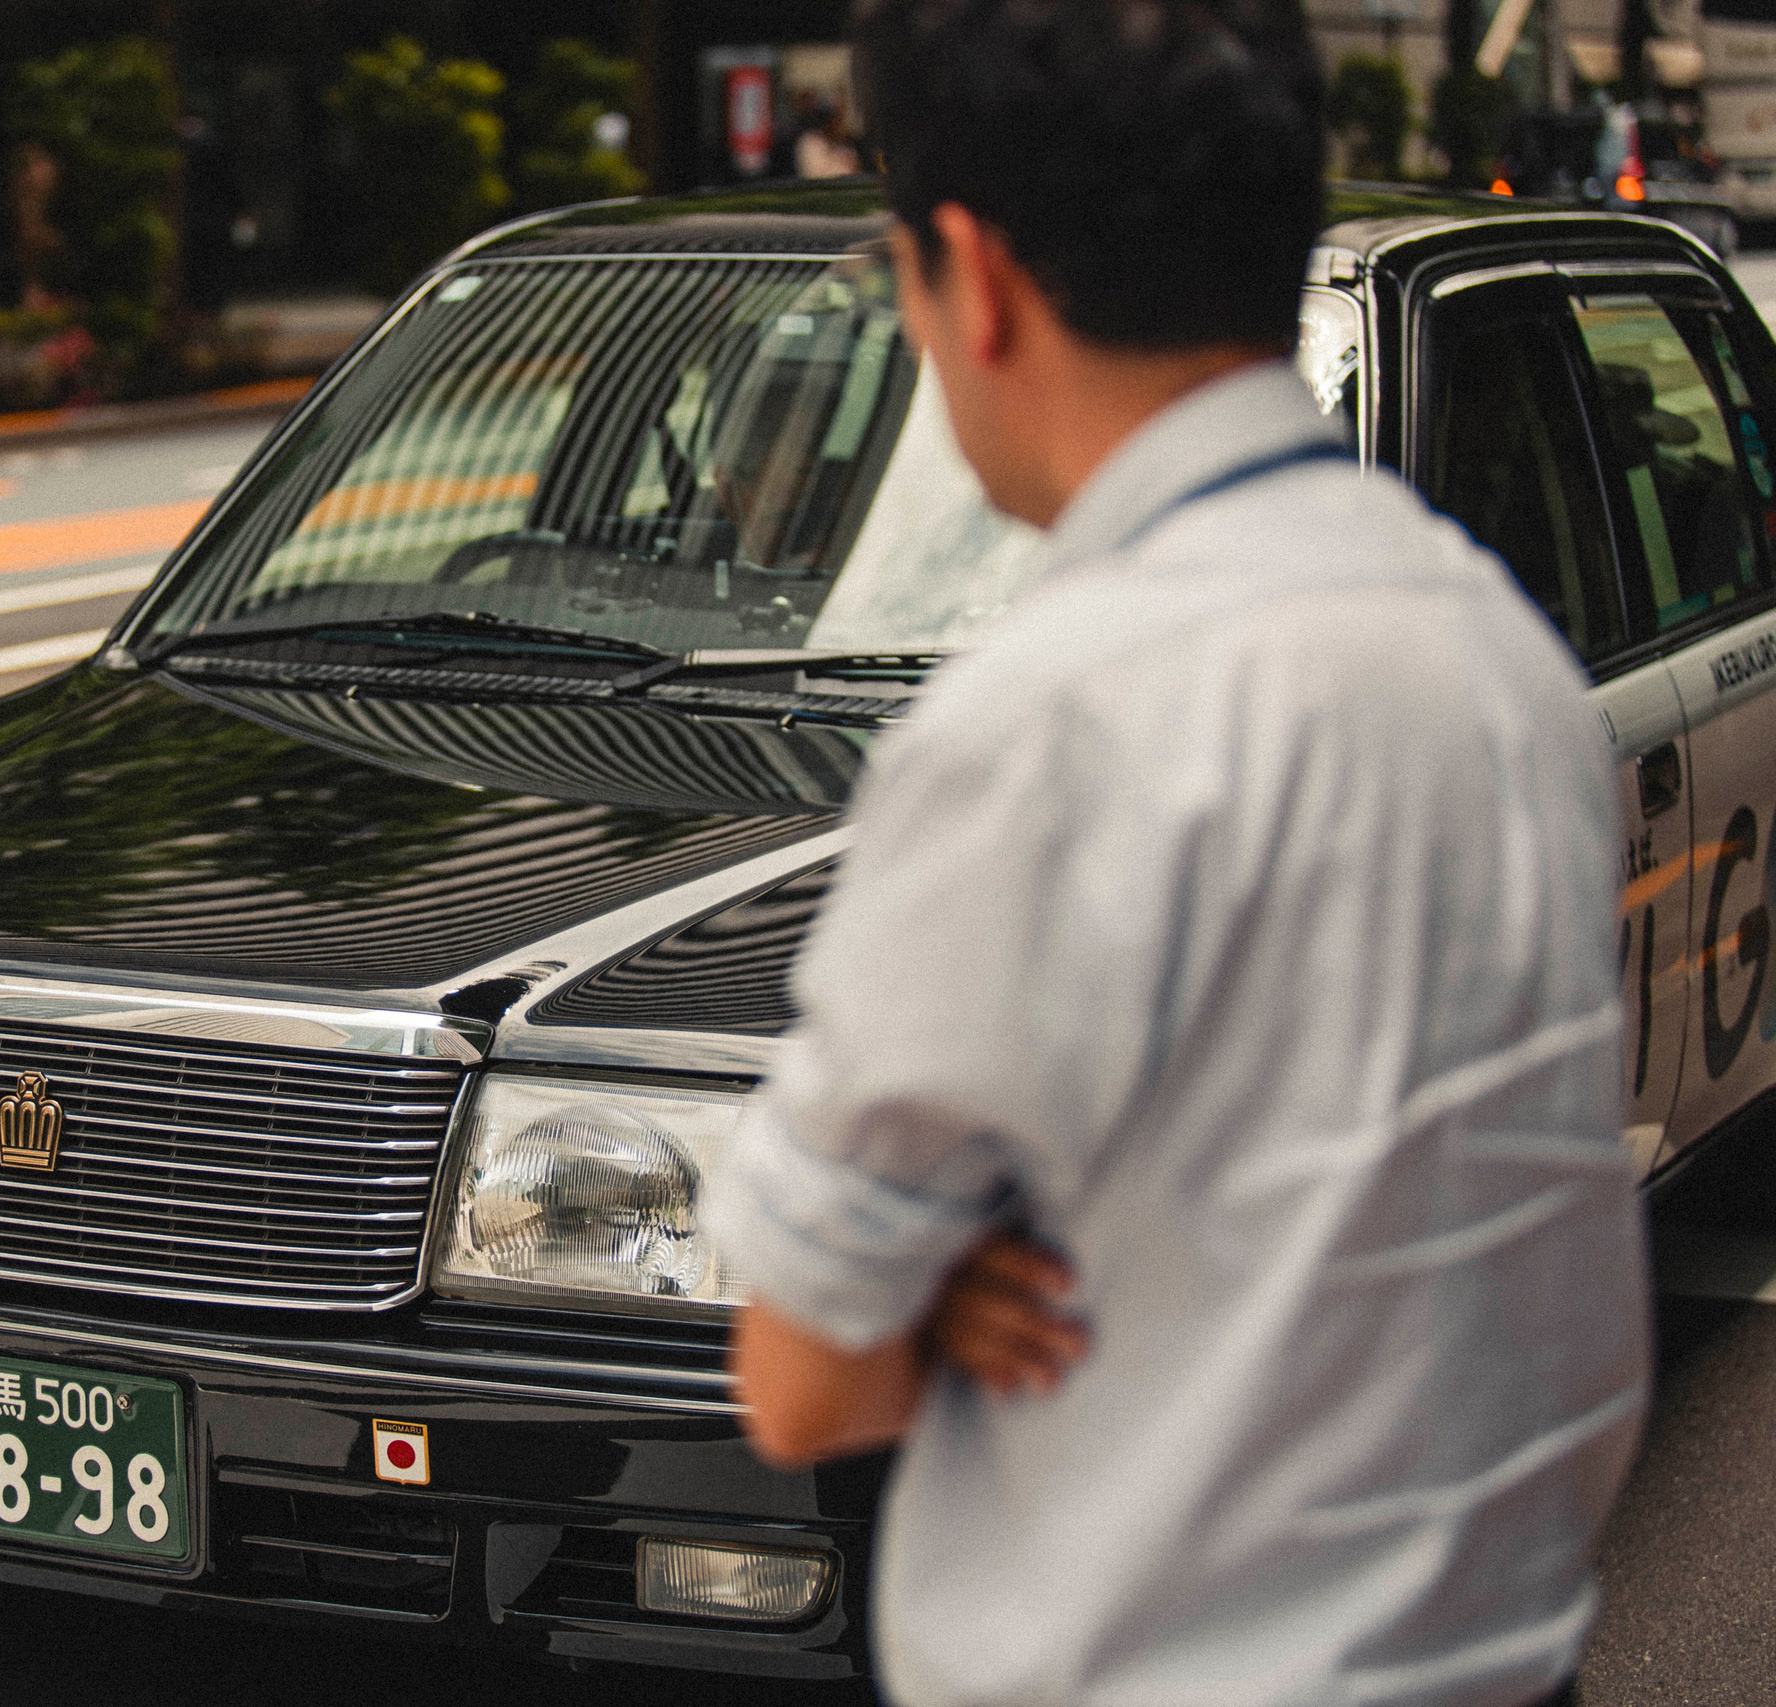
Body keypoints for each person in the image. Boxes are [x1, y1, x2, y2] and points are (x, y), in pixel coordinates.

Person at [697, 3, 1651, 1705]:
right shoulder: (1500, 656)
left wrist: (930, 1294)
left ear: (970, 281)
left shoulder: (1050, 724)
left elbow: (799, 1382)